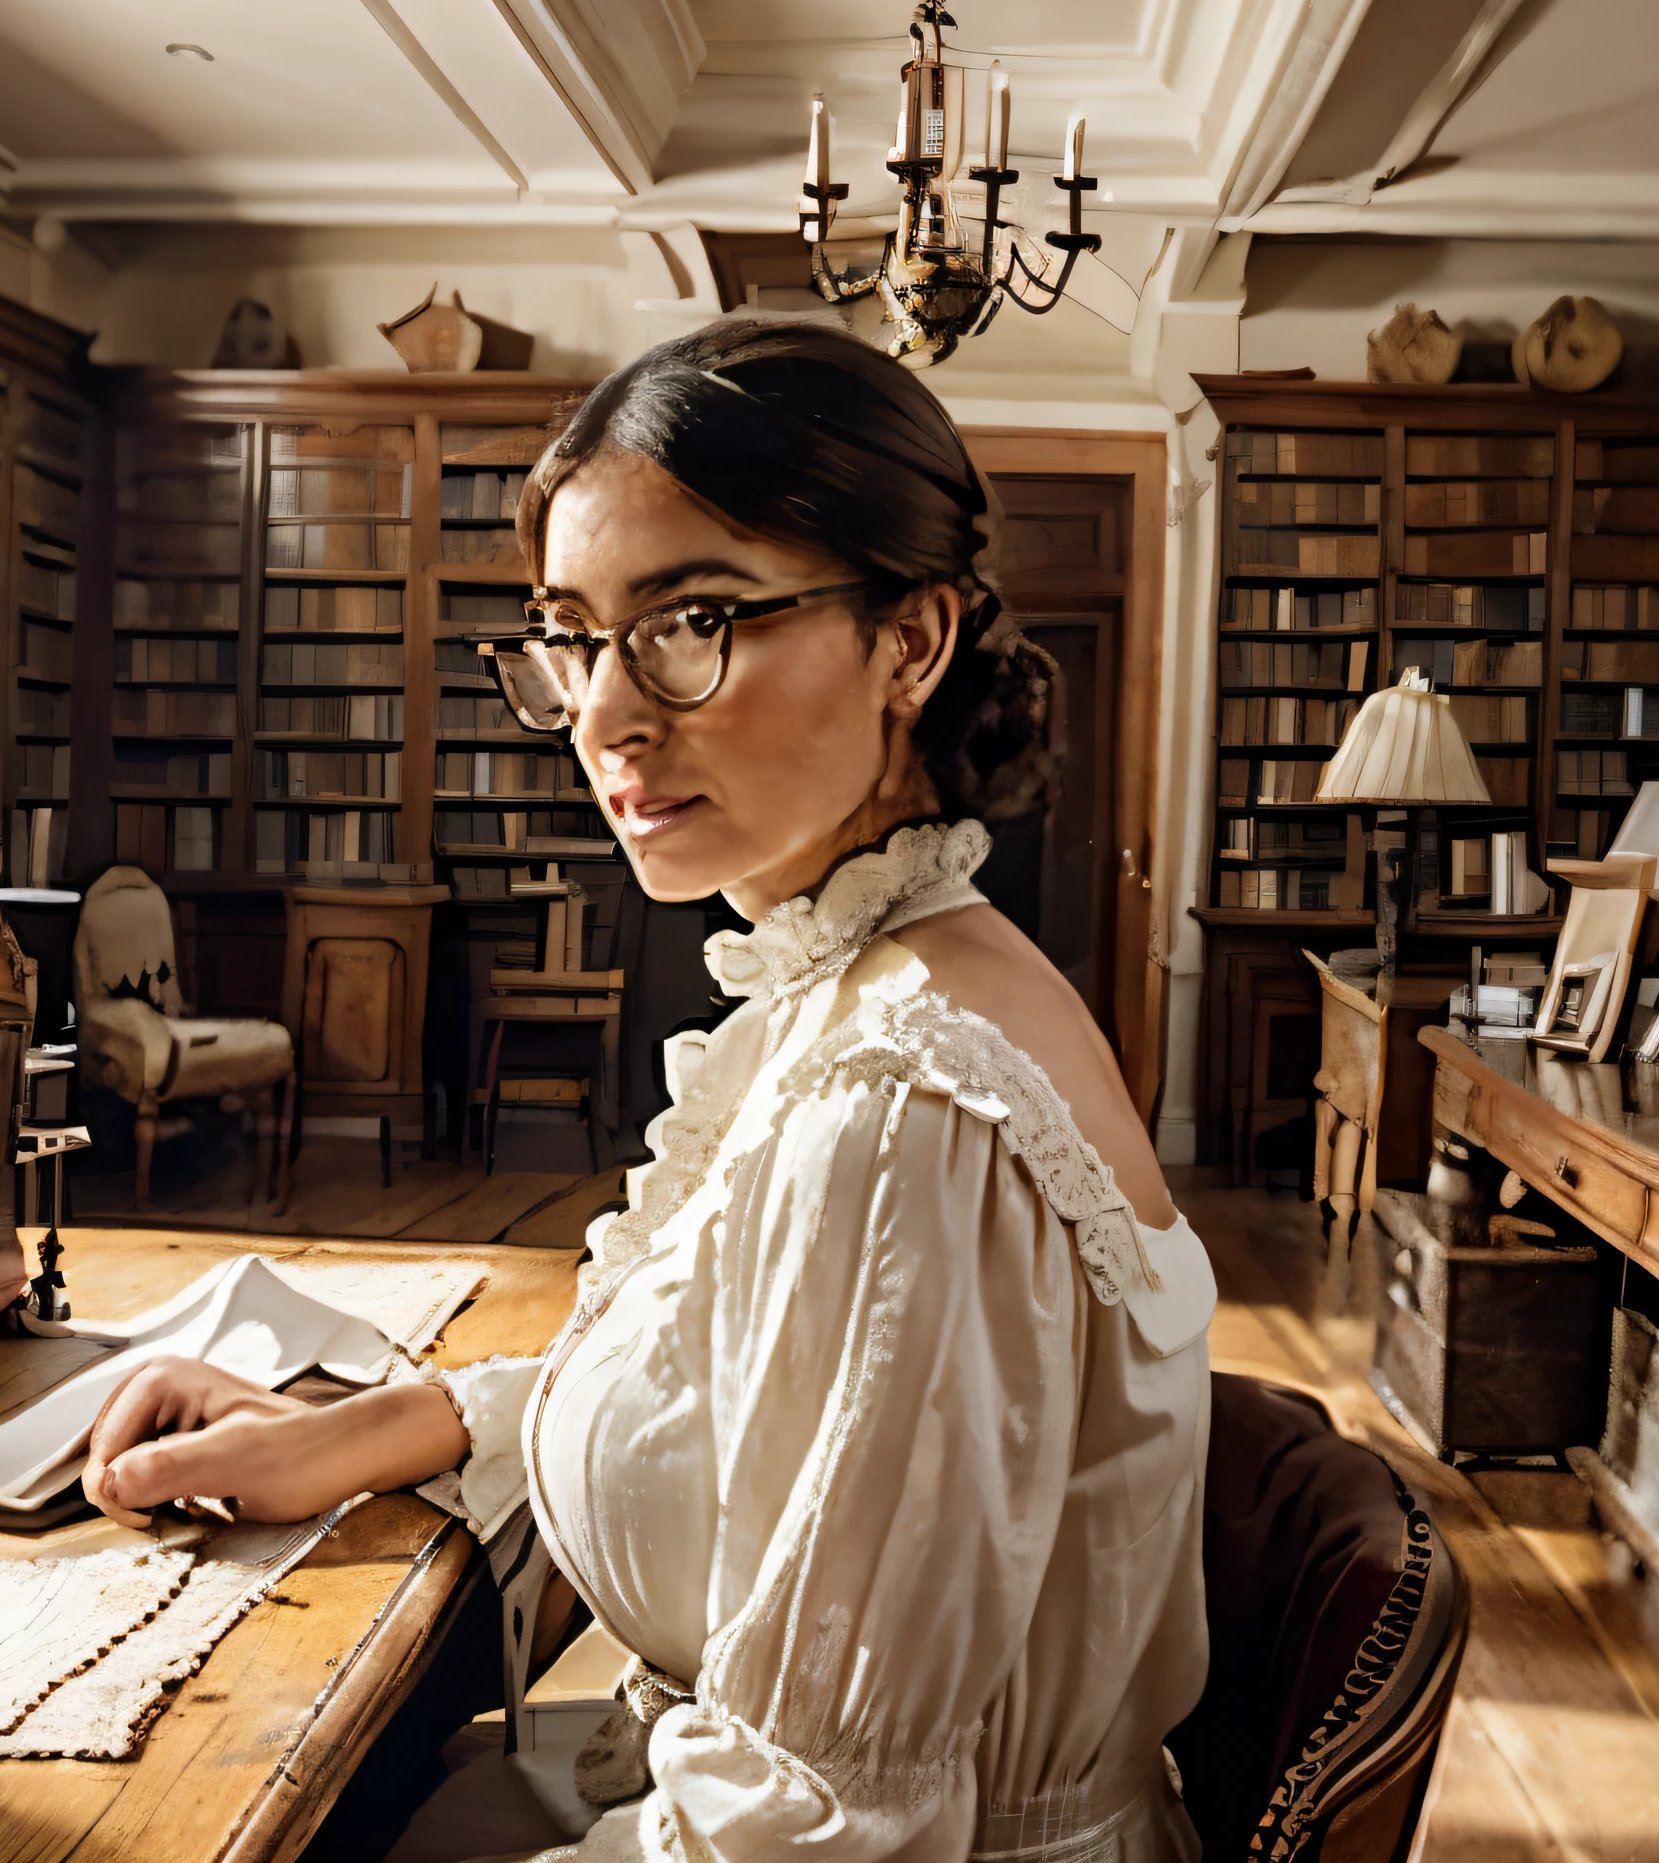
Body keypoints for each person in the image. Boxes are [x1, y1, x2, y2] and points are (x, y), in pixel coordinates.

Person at [79, 318, 1217, 1863]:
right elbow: (738, 1406)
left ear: (912, 640)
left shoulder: (903, 1104)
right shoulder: (862, 972)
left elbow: (819, 1835)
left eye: (691, 621)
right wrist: (349, 1431)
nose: (608, 715)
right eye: (573, 634)